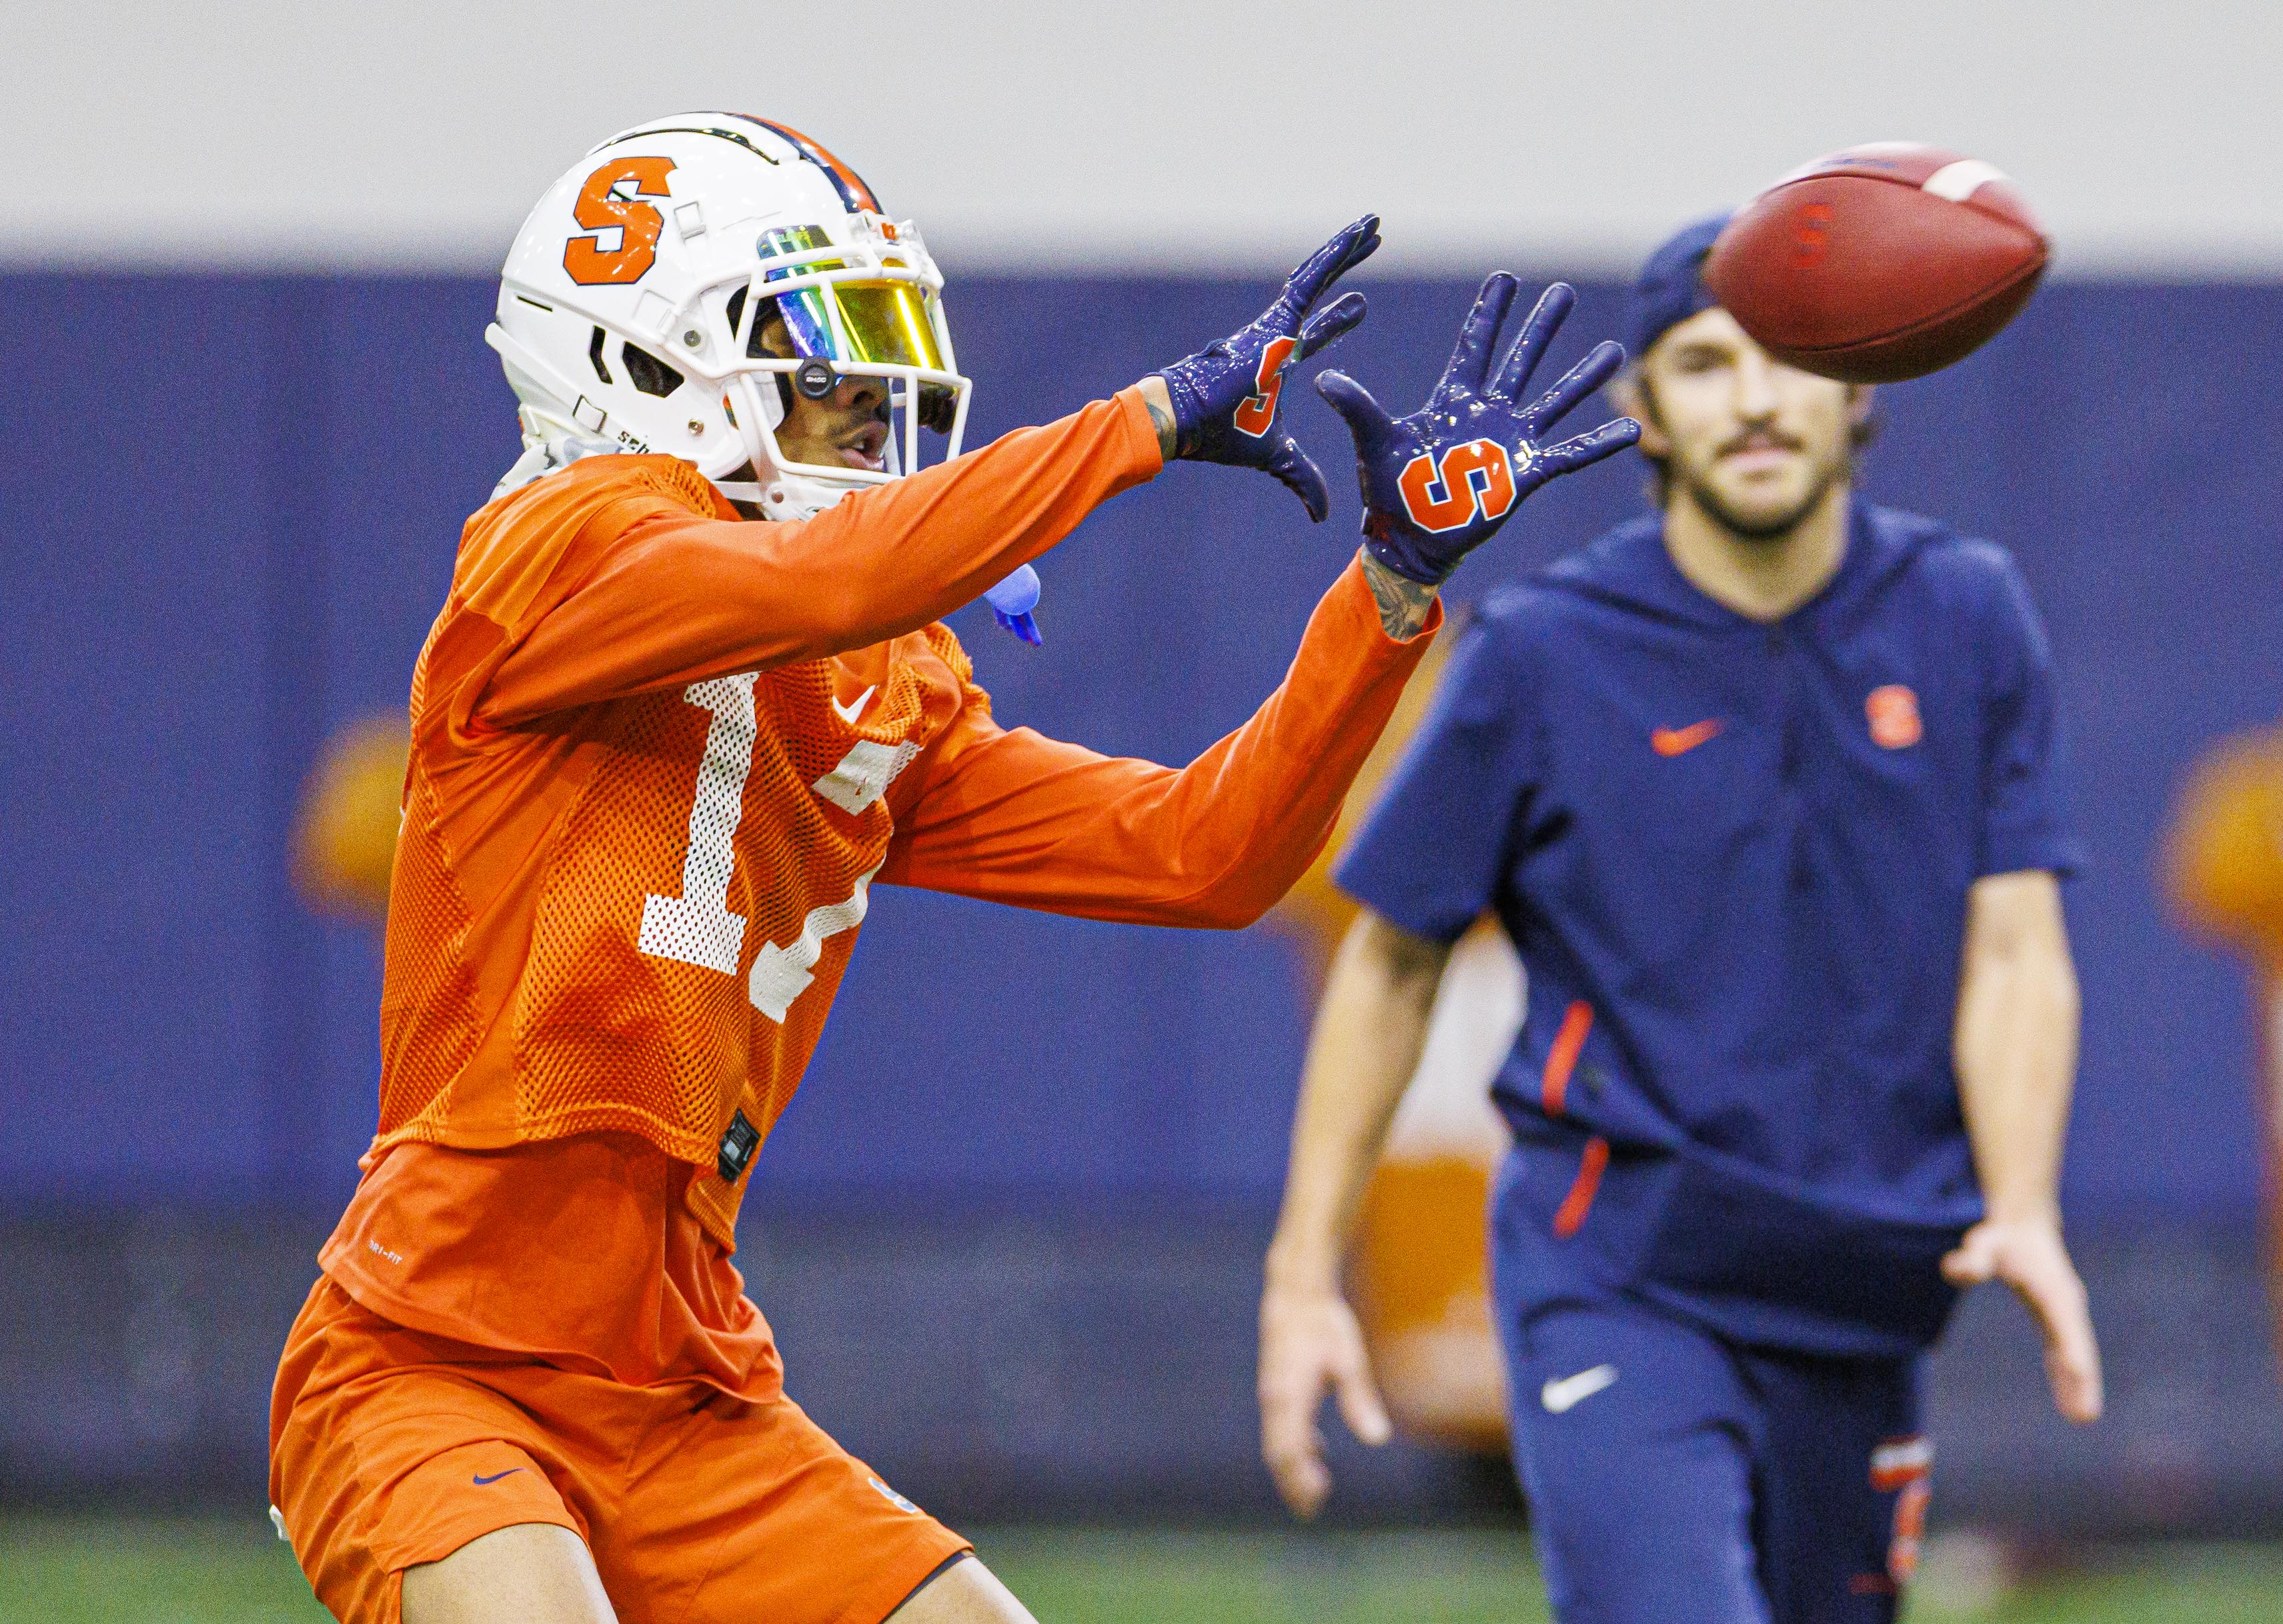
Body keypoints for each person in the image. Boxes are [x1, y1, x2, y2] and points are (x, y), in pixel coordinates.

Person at [265, 111, 1639, 1624]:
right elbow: (826, 572)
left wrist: (1386, 590)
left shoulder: (871, 671)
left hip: (685, 1384)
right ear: (645, 363)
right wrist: (1141, 423)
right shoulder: (554, 550)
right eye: (819, 349)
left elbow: (1201, 856)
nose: (875, 399)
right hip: (433, 1360)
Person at [1258, 215, 2103, 1624]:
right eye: (1704, 364)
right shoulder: (1541, 655)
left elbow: (2016, 947)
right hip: (1619, 1270)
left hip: (1869, 1283)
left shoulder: (1966, 617)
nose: (1756, 397)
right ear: (1640, 410)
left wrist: (2021, 1205)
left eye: (1792, 357)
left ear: (1860, 388)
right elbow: (1390, 960)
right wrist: (1299, 1278)